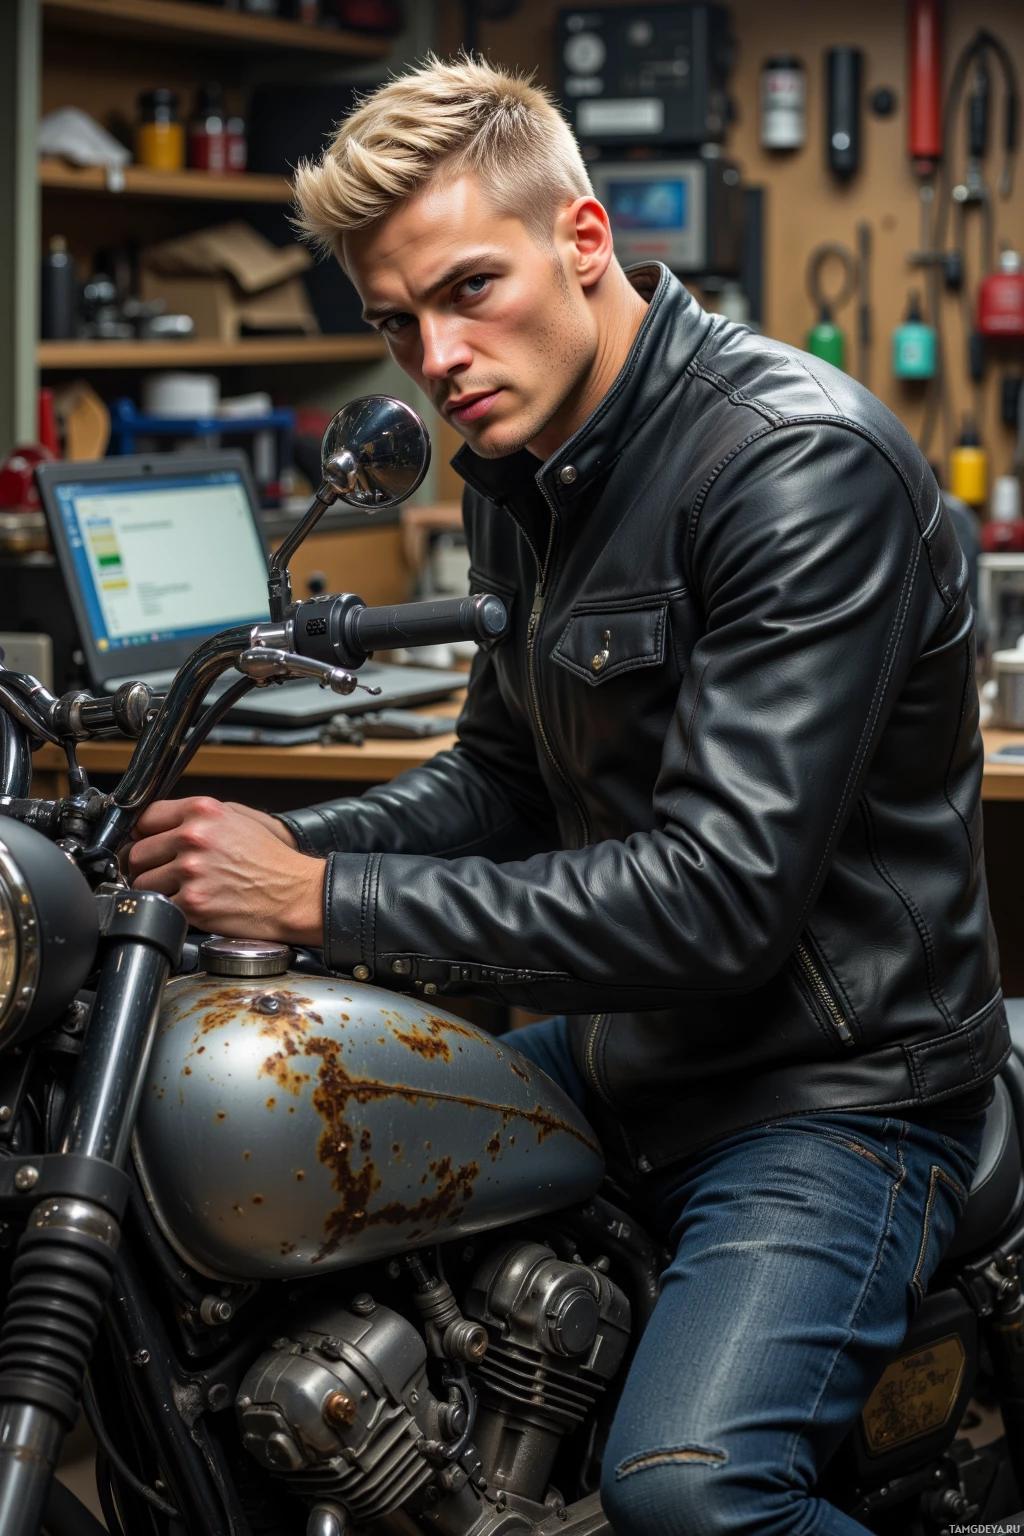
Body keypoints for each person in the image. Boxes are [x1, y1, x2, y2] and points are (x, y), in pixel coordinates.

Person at [128, 57, 1008, 1536]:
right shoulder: (524, 468)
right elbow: (500, 780)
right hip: (623, 1055)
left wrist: (323, 899)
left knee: (691, 1498)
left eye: (471, 289)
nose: (438, 355)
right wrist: (266, 855)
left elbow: (720, 900)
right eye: (398, 322)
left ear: (584, 239)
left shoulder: (793, 465)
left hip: (833, 1096)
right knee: (260, 1230)